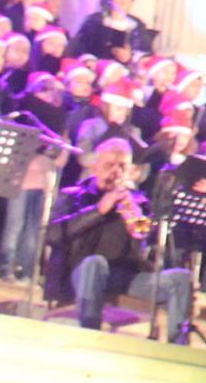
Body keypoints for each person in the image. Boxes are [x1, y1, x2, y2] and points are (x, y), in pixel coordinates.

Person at [49, 140, 193, 342]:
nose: (115, 172)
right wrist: (98, 210)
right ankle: (89, 335)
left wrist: (137, 218)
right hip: (81, 271)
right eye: (109, 165)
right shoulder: (74, 196)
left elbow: (151, 239)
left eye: (122, 167)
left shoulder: (139, 201)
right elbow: (53, 234)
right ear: (95, 167)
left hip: (125, 276)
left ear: (130, 171)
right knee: (95, 263)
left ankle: (176, 347)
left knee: (180, 279)